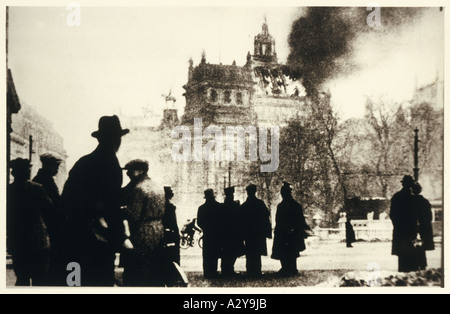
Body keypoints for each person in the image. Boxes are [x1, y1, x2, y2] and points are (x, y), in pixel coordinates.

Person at [61, 115, 129, 286]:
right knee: (99, 281)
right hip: (97, 238)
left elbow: (67, 200)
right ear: (116, 139)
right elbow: (109, 205)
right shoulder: (110, 164)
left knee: (75, 283)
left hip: (74, 235)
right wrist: (120, 237)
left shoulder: (84, 162)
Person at [121, 159, 166, 286]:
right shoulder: (157, 186)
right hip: (158, 229)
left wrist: (123, 211)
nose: (128, 173)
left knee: (138, 268)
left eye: (130, 170)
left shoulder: (138, 189)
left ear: (140, 171)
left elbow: (134, 216)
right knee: (154, 267)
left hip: (143, 231)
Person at [7, 158, 52, 286]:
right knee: (40, 278)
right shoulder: (37, 188)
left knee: (22, 278)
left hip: (18, 241)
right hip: (38, 240)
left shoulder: (8, 190)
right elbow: (50, 209)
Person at [33, 153, 66, 285]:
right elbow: (52, 206)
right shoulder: (43, 181)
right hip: (48, 226)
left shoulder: (43, 179)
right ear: (47, 165)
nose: (57, 170)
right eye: (55, 166)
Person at [271, 182, 310, 276]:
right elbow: (300, 220)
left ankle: (286, 268)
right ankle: (292, 268)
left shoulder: (281, 206)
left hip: (284, 232)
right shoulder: (296, 205)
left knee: (284, 251)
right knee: (292, 250)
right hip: (293, 233)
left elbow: (279, 220)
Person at [390, 175, 420, 272]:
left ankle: (403, 271)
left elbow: (393, 214)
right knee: (411, 250)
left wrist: (398, 225)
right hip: (411, 229)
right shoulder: (413, 198)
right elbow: (416, 214)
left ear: (402, 184)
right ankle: (410, 271)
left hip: (400, 229)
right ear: (410, 184)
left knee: (402, 253)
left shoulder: (396, 196)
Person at [241, 184, 272, 277]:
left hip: (248, 233)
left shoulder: (244, 205)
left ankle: (249, 270)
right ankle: (257, 270)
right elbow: (266, 215)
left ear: (247, 192)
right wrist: (267, 231)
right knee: (257, 252)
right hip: (258, 233)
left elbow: (240, 219)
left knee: (249, 251)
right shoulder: (260, 204)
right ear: (255, 192)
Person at [197, 189, 223, 278]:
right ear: (213, 196)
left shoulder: (201, 208)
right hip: (217, 234)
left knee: (207, 253)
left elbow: (199, 222)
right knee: (215, 253)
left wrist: (205, 228)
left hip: (207, 234)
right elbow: (222, 220)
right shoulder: (219, 206)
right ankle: (213, 271)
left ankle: (207, 272)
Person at [220, 186, 245, 277]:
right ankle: (229, 269)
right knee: (233, 252)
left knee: (226, 251)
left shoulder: (223, 205)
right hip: (233, 232)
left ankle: (225, 269)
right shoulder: (234, 205)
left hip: (225, 232)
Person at [412, 182, 435, 270]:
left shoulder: (411, 201)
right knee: (422, 246)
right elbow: (429, 216)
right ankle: (422, 264)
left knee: (414, 245)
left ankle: (415, 263)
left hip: (414, 226)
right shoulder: (425, 201)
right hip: (424, 226)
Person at [163, 186, 181, 265]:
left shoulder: (161, 205)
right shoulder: (170, 206)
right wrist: (177, 234)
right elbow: (173, 222)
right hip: (171, 233)